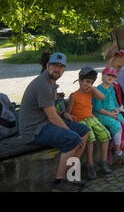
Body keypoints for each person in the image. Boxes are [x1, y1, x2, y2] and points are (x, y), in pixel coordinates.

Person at [19, 52, 90, 192]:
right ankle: (59, 181)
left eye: (61, 67)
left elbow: (50, 111)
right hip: (33, 130)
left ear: (64, 69)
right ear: (47, 66)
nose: (57, 69)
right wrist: (69, 131)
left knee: (84, 131)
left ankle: (71, 175)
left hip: (44, 123)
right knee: (73, 138)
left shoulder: (51, 83)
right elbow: (52, 117)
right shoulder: (43, 85)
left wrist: (64, 114)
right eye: (54, 66)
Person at [67, 67, 112, 180]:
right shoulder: (74, 96)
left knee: (105, 135)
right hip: (80, 120)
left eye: (91, 82)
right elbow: (68, 112)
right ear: (80, 81)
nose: (89, 85)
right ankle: (90, 165)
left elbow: (102, 97)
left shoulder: (91, 92)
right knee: (90, 139)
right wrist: (70, 117)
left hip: (91, 118)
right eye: (87, 82)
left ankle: (103, 161)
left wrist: (93, 88)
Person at [94, 67, 124, 164]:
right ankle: (118, 151)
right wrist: (110, 114)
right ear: (103, 76)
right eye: (108, 75)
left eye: (113, 76)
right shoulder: (98, 89)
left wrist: (116, 109)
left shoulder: (111, 88)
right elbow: (97, 108)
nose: (110, 77)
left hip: (113, 112)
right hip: (102, 114)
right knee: (117, 126)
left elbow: (115, 102)